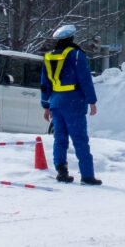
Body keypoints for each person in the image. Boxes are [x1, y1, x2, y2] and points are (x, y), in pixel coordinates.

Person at [41, 25, 101, 185]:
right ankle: (87, 175)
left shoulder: (48, 57)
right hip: (73, 102)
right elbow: (85, 79)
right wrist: (92, 101)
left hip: (55, 102)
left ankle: (61, 172)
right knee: (80, 139)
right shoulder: (76, 55)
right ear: (72, 39)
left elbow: (45, 83)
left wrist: (45, 105)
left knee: (59, 138)